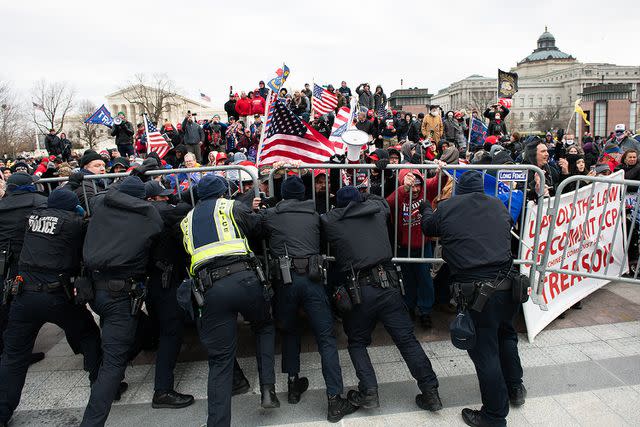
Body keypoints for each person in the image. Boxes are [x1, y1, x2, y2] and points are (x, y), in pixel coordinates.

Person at [321, 186, 443, 413]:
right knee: (407, 341)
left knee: (357, 342)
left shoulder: (332, 221)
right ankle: (431, 393)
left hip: (359, 291)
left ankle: (369, 393)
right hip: (388, 285)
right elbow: (379, 200)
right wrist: (364, 195)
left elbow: (326, 215)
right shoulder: (377, 210)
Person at [420, 170, 526, 427]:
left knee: (485, 353)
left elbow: (428, 227)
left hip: (478, 292)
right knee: (506, 335)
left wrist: (425, 207)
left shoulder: (449, 207)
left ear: (459, 189)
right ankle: (515, 388)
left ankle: (494, 416)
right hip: (507, 285)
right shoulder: (499, 205)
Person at [180, 175, 277, 426]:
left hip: (210, 289)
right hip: (244, 279)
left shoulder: (186, 220)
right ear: (223, 193)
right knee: (264, 327)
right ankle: (268, 389)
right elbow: (260, 228)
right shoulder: (231, 206)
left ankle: (218, 423)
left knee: (220, 361)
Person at [259, 176, 358, 422]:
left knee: (290, 332)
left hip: (285, 281)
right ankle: (334, 400)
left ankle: (293, 385)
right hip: (313, 278)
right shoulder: (314, 215)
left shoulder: (271, 215)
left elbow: (255, 228)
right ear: (303, 194)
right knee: (325, 338)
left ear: (282, 195)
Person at [0, 189, 102, 427]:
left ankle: (2, 411)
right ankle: (104, 387)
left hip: (23, 296)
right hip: (57, 295)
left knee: (13, 356)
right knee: (88, 334)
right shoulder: (75, 223)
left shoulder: (30, 219)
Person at [80, 176, 164, 426]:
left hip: (95, 291)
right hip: (120, 295)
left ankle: (106, 383)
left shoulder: (100, 205)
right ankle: (92, 420)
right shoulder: (148, 214)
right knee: (113, 361)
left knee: (144, 329)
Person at [144, 180, 195, 409]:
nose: (167, 201)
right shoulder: (162, 215)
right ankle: (162, 390)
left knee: (159, 328)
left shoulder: (134, 217)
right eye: (162, 198)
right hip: (166, 282)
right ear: (150, 201)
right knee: (170, 333)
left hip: (150, 281)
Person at [386, 165, 447, 329]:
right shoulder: (399, 195)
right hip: (403, 246)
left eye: (417, 184)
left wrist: (440, 171)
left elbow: (438, 182)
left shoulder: (426, 190)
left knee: (425, 279)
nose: (415, 189)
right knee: (407, 280)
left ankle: (425, 311)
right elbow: (388, 204)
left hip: (423, 246)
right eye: (411, 185)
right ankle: (409, 307)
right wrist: (403, 189)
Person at [0, 173, 48, 364]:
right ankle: (17, 354)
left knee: (7, 305)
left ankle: (10, 352)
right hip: (28, 259)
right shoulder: (41, 202)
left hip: (4, 259)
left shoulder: (2, 205)